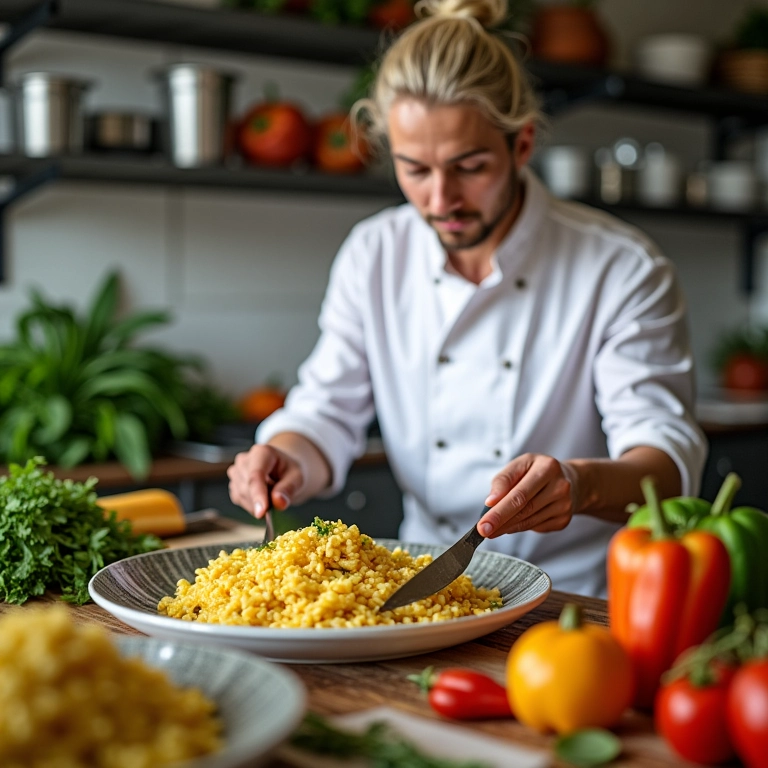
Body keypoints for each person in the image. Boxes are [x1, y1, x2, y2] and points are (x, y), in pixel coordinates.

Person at [227, 0, 707, 597]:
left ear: (522, 144)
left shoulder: (621, 268)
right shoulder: (375, 253)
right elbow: (326, 410)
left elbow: (664, 461)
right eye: (415, 170)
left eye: (469, 166)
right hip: (425, 588)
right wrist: (285, 455)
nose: (441, 200)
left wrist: (578, 485)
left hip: (580, 599)